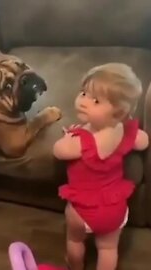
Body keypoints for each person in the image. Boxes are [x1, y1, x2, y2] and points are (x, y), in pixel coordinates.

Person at [53, 63, 149, 270]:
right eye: (83, 93)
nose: (83, 102)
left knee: (74, 241)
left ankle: (75, 265)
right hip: (114, 207)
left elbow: (58, 150)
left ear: (119, 112)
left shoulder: (78, 142)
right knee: (108, 249)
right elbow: (144, 141)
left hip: (82, 209)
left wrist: (70, 135)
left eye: (95, 100)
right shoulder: (126, 132)